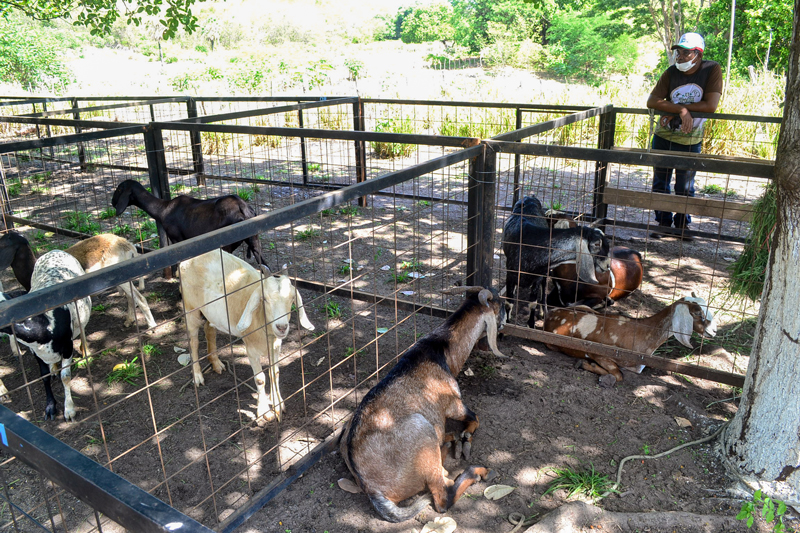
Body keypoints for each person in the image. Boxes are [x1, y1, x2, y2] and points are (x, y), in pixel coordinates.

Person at [646, 32, 722, 240]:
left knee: (685, 186)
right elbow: (652, 100)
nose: (679, 56)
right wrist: (681, 111)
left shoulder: (711, 69)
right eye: (678, 52)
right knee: (661, 182)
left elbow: (711, 105)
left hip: (691, 139)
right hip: (664, 136)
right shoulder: (671, 72)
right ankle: (663, 223)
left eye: (685, 53)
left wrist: (676, 108)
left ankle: (681, 226)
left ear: (698, 54)